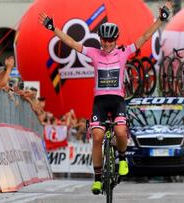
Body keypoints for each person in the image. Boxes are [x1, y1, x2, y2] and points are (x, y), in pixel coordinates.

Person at [39, 0, 173, 194]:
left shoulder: (123, 52)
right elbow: (71, 42)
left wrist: (161, 19)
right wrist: (53, 28)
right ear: (100, 39)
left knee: (120, 132)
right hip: (100, 103)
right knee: (97, 136)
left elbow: (144, 36)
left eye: (111, 40)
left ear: (116, 40)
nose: (107, 43)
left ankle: (123, 158)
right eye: (104, 40)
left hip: (117, 101)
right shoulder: (93, 53)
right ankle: (98, 178)